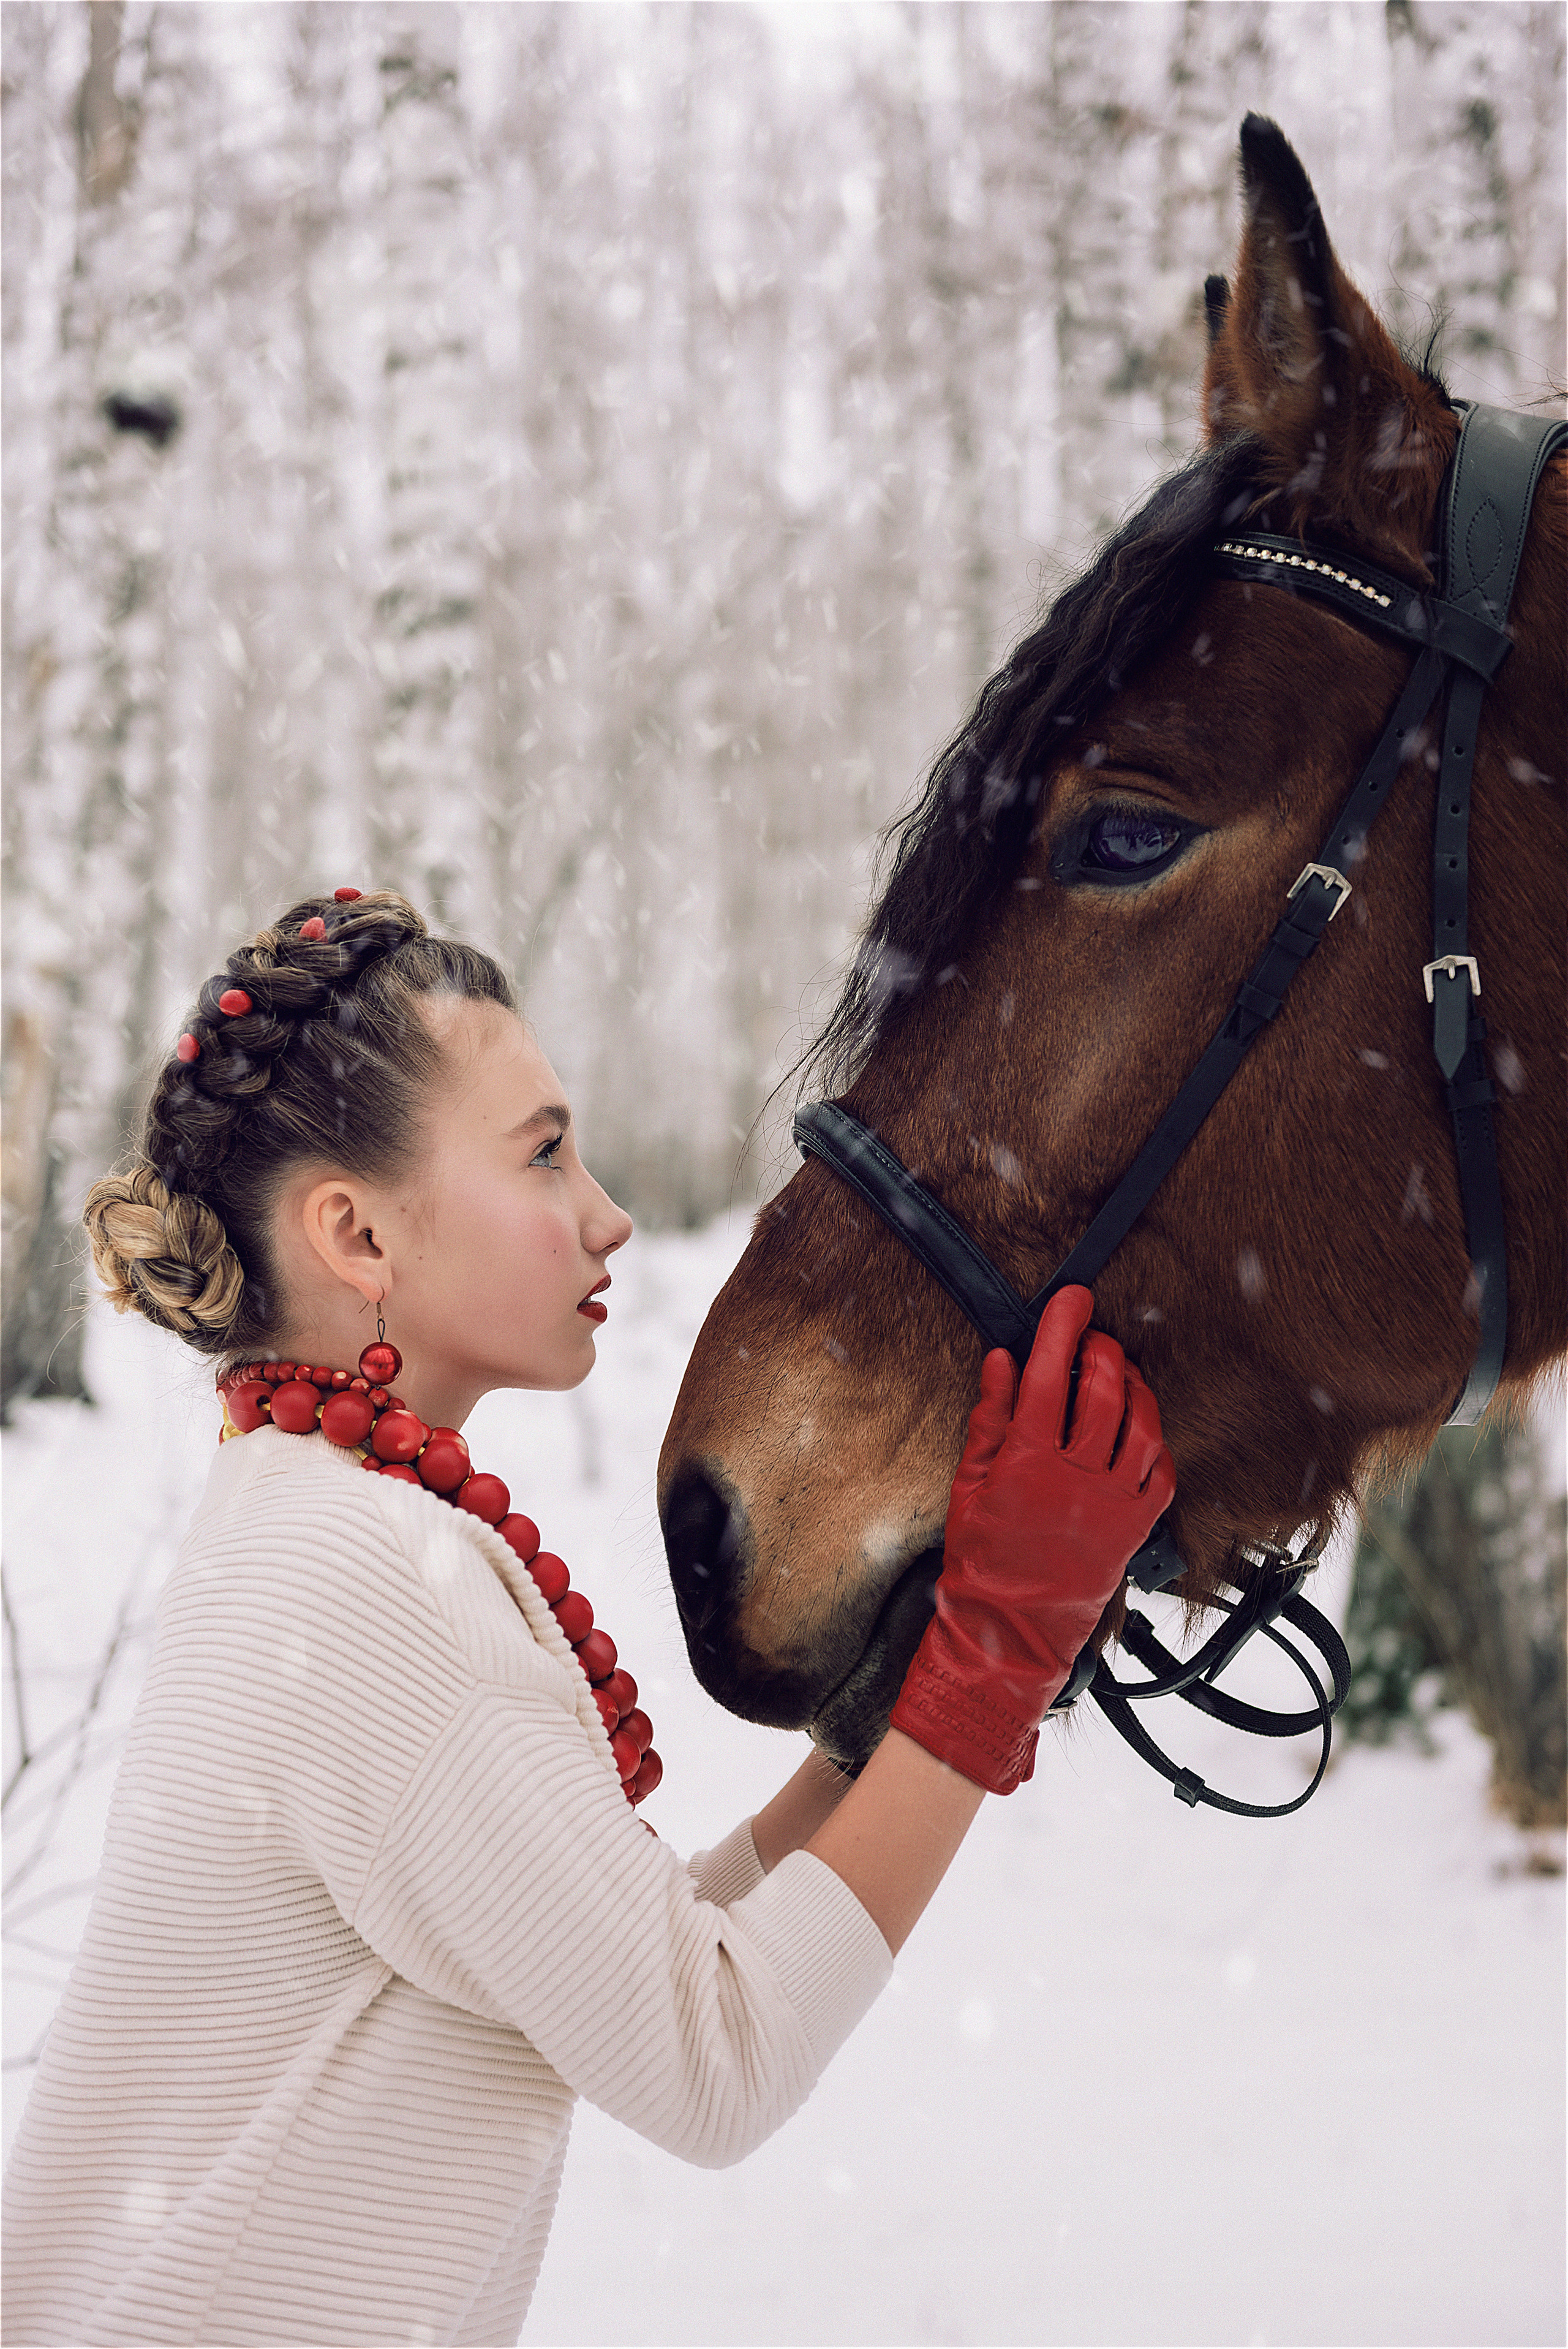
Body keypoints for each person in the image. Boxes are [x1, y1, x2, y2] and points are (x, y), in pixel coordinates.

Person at [2, 889, 1174, 2348]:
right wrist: (988, 1654)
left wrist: (919, 1698)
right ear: (357, 1232)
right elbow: (714, 2052)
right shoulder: (366, 1581)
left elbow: (628, 1956)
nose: (605, 1214)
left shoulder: (305, 1527)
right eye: (544, 1156)